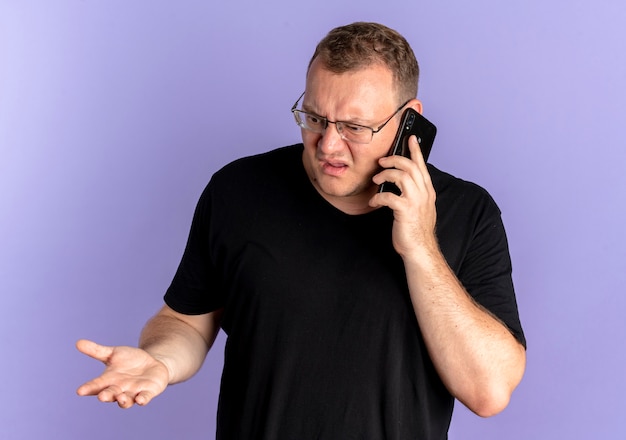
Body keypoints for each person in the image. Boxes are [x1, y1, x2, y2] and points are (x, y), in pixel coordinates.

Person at [77, 22, 526, 439]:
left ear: (409, 119)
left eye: (354, 127)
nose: (328, 145)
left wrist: (422, 249)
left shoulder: (468, 213)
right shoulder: (238, 191)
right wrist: (158, 360)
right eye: (314, 118)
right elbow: (187, 323)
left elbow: (489, 392)